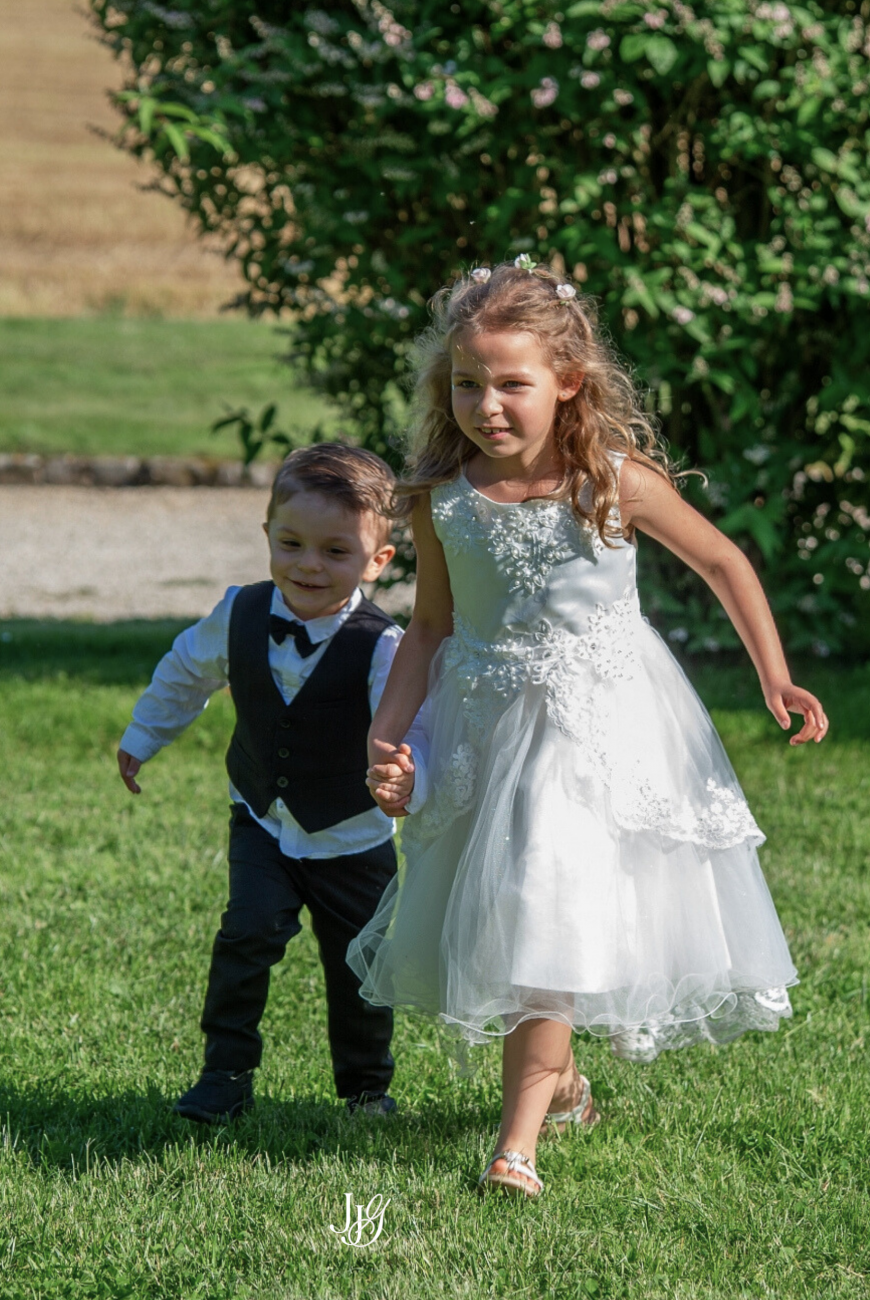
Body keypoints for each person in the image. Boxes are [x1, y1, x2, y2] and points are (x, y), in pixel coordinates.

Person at [347, 259, 829, 1199]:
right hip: (489, 719)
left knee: (543, 895)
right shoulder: (443, 498)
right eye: (467, 384)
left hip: (601, 723)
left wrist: (776, 676)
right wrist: (389, 732)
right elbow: (433, 627)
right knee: (504, 908)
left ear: (567, 380)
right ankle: (560, 1080)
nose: (487, 404)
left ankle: (513, 1148)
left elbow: (725, 562)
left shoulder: (612, 480)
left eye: (511, 384)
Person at [118, 443, 405, 1124]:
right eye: (292, 543)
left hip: (353, 836)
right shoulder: (240, 613)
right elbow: (186, 672)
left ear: (378, 560)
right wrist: (142, 738)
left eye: (336, 551)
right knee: (246, 933)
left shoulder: (383, 646)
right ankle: (225, 1072)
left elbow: (408, 728)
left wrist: (404, 775)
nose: (309, 563)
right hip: (263, 819)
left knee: (361, 968)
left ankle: (365, 1088)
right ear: (268, 535)